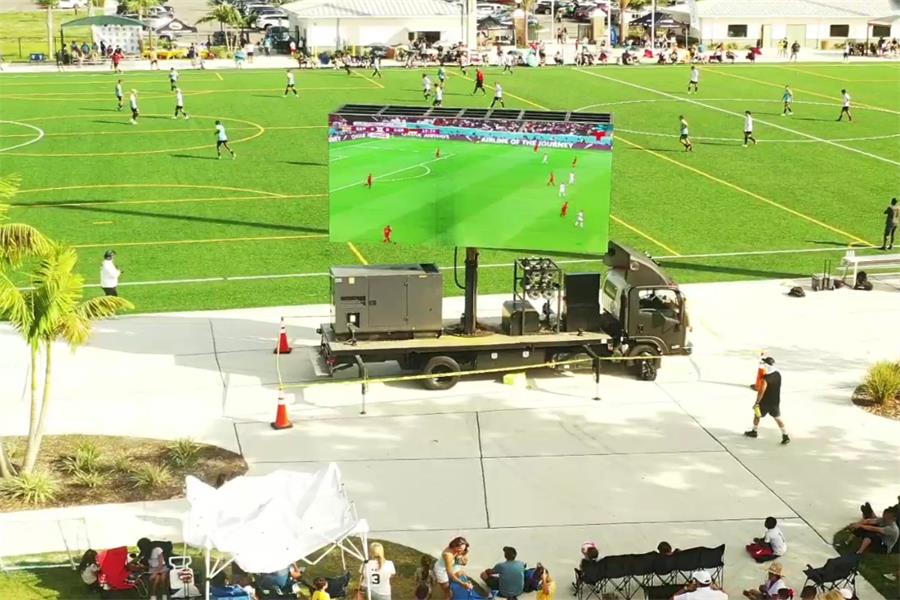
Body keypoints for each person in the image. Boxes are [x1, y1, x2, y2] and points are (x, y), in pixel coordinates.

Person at [744, 357, 788, 443]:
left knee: (757, 415)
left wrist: (757, 402)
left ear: (766, 366)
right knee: (777, 418)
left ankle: (754, 431)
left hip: (765, 402)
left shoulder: (765, 380)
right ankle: (785, 435)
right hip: (775, 401)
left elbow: (761, 392)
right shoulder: (778, 374)